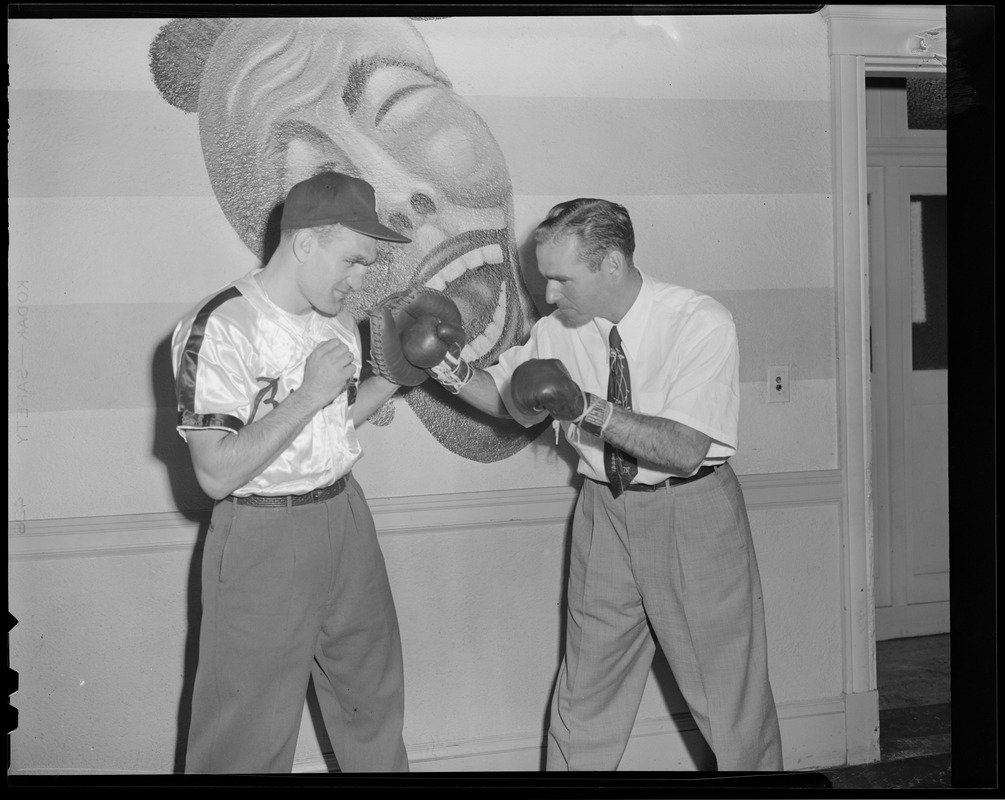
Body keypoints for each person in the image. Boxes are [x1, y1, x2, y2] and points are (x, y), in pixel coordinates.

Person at [370, 198, 784, 771]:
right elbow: (509, 399)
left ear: (611, 264)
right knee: (584, 698)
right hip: (603, 512)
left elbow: (686, 448)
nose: (551, 295)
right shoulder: (559, 330)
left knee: (729, 702)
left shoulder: (698, 321)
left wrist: (589, 408)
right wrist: (444, 364)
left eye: (562, 280)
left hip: (691, 512)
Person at [171, 171, 412, 773]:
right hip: (262, 534)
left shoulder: (333, 323)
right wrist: (308, 394)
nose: (361, 281)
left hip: (345, 516)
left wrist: (400, 377)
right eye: (354, 262)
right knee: (245, 733)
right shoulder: (220, 326)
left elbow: (333, 427)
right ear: (305, 243)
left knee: (372, 707)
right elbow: (216, 475)